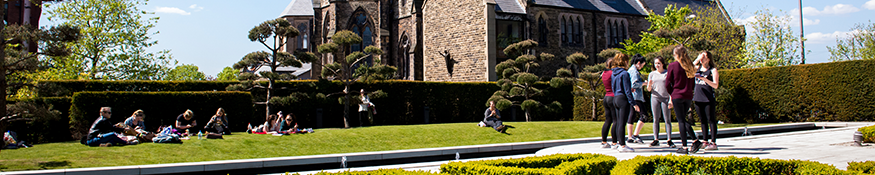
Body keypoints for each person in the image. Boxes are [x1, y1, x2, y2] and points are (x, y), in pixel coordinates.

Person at [665, 46, 701, 154]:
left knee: (681, 121)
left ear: (676, 54)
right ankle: (695, 140)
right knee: (683, 119)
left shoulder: (673, 66)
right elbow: (693, 82)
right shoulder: (690, 66)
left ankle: (685, 146)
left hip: (677, 95)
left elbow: (667, 83)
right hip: (688, 96)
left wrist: (672, 92)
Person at [693, 51, 720, 151]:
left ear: (708, 59)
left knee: (711, 119)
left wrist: (705, 79)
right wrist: (697, 59)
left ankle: (713, 142)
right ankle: (705, 140)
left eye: (704, 57)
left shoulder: (713, 70)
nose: (702, 59)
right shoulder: (697, 69)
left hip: (708, 98)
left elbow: (715, 85)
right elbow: (687, 68)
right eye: (701, 57)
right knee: (702, 120)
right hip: (698, 97)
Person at [610, 53, 637, 153]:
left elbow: (613, 87)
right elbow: (627, 91)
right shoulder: (625, 74)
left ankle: (617, 143)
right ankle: (622, 145)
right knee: (622, 123)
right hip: (622, 100)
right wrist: (633, 103)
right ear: (625, 62)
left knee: (618, 122)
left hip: (616, 98)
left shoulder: (614, 73)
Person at [647, 56, 675, 148]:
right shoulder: (652, 74)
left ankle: (669, 139)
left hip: (665, 97)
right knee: (656, 119)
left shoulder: (667, 73)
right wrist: (649, 85)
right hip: (655, 97)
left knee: (667, 119)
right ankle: (656, 139)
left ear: (662, 64)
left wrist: (671, 100)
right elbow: (648, 89)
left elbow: (671, 87)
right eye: (655, 63)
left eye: (659, 63)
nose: (657, 65)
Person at [626, 54, 648, 144]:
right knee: (644, 115)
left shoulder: (630, 70)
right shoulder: (634, 71)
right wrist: (644, 83)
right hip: (636, 97)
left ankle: (630, 137)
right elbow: (634, 84)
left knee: (632, 116)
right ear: (639, 63)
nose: (642, 67)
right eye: (642, 65)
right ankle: (635, 135)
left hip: (632, 96)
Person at [600, 57, 618, 149]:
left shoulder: (604, 73)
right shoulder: (613, 73)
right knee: (616, 120)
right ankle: (615, 142)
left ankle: (604, 141)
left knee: (608, 120)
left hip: (606, 97)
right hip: (613, 97)